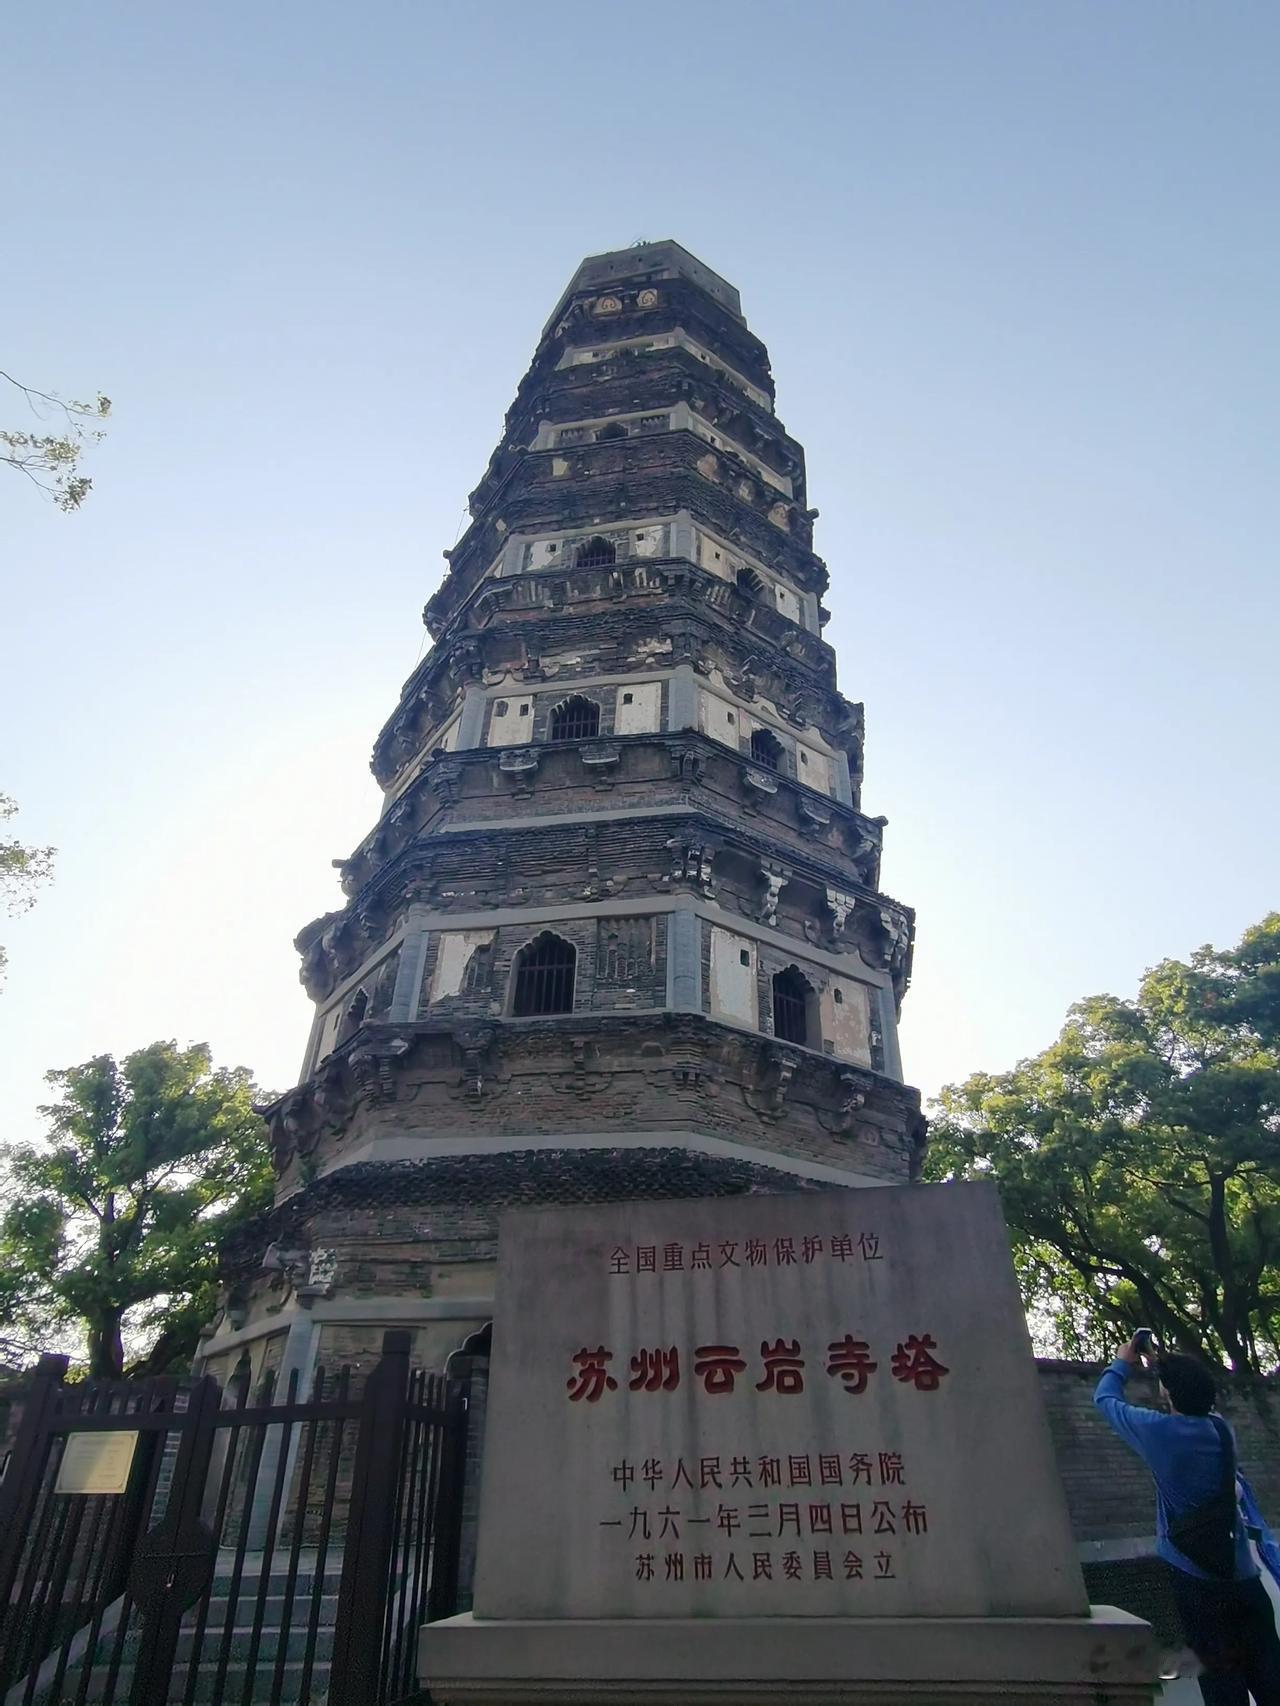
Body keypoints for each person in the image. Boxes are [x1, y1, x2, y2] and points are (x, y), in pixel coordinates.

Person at [1095, 1333, 1280, 1705]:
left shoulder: (1159, 1433)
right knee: (1271, 1676)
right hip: (1242, 1575)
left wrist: (1122, 1362)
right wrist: (1166, 1366)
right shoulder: (1221, 1430)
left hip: (1194, 1580)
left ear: (1168, 1394)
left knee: (1221, 1682)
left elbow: (1105, 1399)